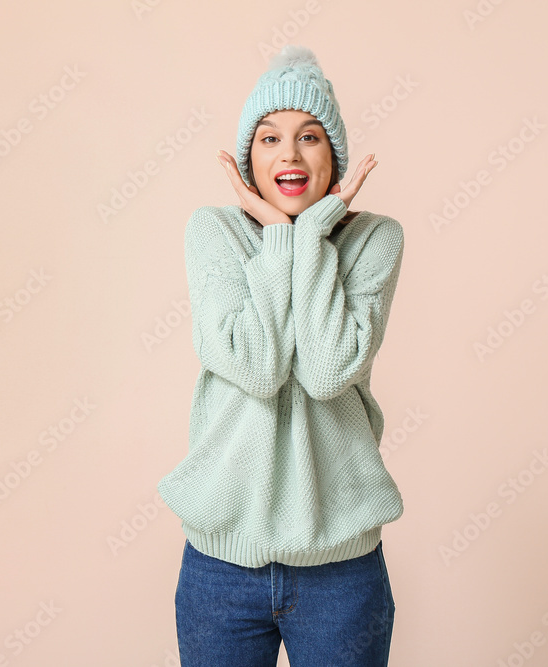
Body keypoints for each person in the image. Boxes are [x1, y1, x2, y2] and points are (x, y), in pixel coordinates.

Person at [156, 44, 405, 667]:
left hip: (341, 572)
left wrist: (309, 236)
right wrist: (281, 238)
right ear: (249, 158)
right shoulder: (213, 232)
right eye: (269, 138)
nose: (289, 155)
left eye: (310, 137)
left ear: (335, 156)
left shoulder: (375, 238)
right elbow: (257, 368)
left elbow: (325, 372)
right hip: (221, 567)